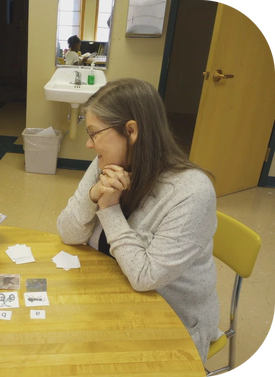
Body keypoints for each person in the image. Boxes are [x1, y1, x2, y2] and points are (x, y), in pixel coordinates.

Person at [57, 78, 223, 364]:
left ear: (130, 131)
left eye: (94, 133)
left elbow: (145, 277)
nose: (88, 144)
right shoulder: (103, 165)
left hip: (175, 321)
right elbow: (67, 232)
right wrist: (92, 196)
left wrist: (108, 208)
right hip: (112, 299)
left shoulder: (191, 192)